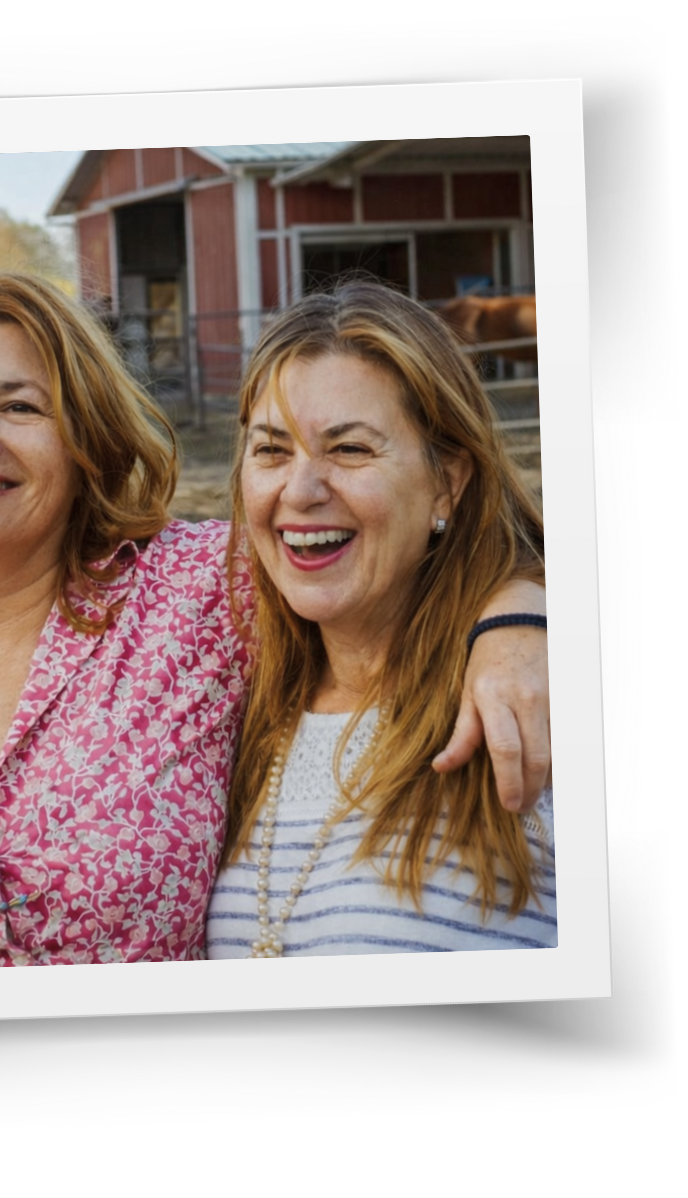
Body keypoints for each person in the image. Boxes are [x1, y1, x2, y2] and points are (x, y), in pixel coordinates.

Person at [0, 269, 550, 972]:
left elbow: (402, 545)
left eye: (21, 405)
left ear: (85, 444)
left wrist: (519, 620)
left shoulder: (195, 594)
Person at [205, 282, 556, 959]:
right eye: (272, 450)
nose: (301, 491)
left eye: (351, 450)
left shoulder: (537, 700)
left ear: (446, 483)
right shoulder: (232, 699)